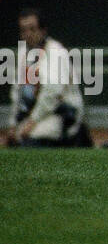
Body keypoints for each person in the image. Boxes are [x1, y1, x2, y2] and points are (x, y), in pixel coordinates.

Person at [5, 8, 85, 148]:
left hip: (59, 114)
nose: (28, 34)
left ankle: (77, 139)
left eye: (32, 29)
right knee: (14, 141)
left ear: (43, 30)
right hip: (35, 114)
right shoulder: (24, 52)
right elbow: (17, 92)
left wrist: (31, 123)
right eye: (24, 30)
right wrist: (12, 124)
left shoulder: (55, 51)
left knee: (30, 141)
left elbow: (52, 93)